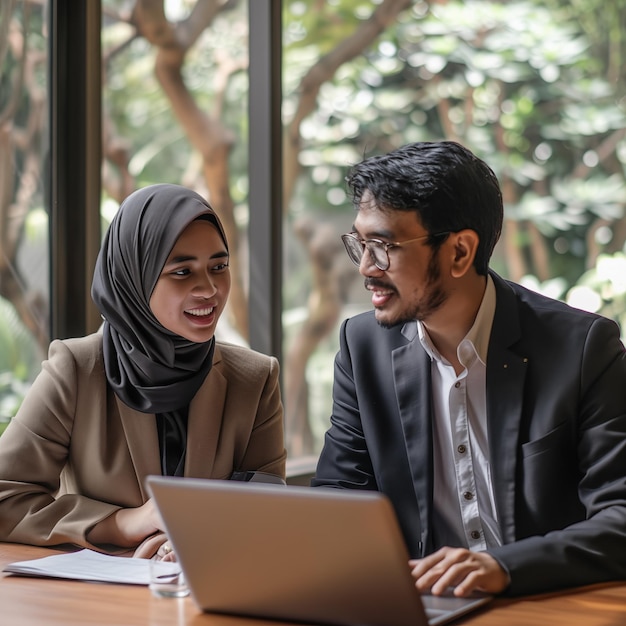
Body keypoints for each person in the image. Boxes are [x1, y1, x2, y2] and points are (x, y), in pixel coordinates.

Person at [312, 141, 626, 597]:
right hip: (419, 606)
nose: (365, 267)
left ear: (460, 252)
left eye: (383, 246)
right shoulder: (362, 348)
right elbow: (339, 498)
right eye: (360, 244)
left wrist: (503, 567)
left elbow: (620, 518)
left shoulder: (582, 349)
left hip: (543, 602)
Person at [0, 183, 286, 558]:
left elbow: (268, 511)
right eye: (182, 272)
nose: (209, 289)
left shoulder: (255, 378)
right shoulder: (76, 369)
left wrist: (190, 541)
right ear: (133, 278)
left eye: (219, 267)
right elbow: (7, 497)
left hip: (208, 594)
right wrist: (122, 524)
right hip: (93, 605)